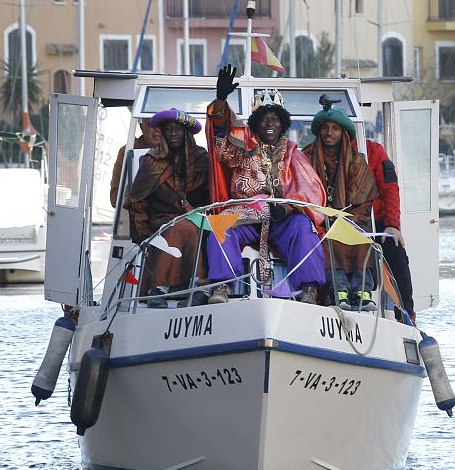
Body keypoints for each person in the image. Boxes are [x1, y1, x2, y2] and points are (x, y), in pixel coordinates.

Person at [205, 65, 327, 305]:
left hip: (282, 217)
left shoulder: (294, 153)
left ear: (282, 124)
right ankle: (221, 287)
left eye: (274, 119)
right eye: (264, 119)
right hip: (245, 213)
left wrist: (290, 209)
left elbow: (311, 191)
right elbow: (221, 144)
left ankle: (309, 290)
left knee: (305, 228)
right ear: (256, 123)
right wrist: (220, 101)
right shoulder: (243, 147)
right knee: (218, 226)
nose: (270, 123)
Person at [123, 108, 209, 308]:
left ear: (186, 133)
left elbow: (212, 195)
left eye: (177, 130)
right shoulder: (153, 160)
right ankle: (163, 287)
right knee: (181, 227)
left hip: (199, 218)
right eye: (168, 130)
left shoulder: (202, 159)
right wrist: (142, 234)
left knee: (196, 227)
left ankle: (194, 287)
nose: (172, 134)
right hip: (161, 219)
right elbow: (137, 201)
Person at [302, 98, 379, 311]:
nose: (329, 132)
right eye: (325, 128)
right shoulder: (305, 158)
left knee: (362, 238)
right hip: (319, 220)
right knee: (326, 239)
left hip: (352, 218)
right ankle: (340, 292)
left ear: (343, 132)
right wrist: (324, 217)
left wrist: (345, 218)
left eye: (335, 128)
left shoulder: (357, 160)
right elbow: (300, 193)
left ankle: (363, 291)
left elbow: (365, 199)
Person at [364, 138, 415, 321]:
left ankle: (407, 314)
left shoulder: (374, 151)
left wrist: (392, 224)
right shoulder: (315, 151)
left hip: (375, 221)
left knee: (397, 253)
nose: (331, 132)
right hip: (342, 221)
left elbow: (390, 189)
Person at [109, 118, 162, 207]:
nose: (157, 129)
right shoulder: (128, 151)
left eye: (161, 124)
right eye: (151, 124)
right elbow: (116, 199)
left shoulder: (179, 149)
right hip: (138, 216)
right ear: (141, 127)